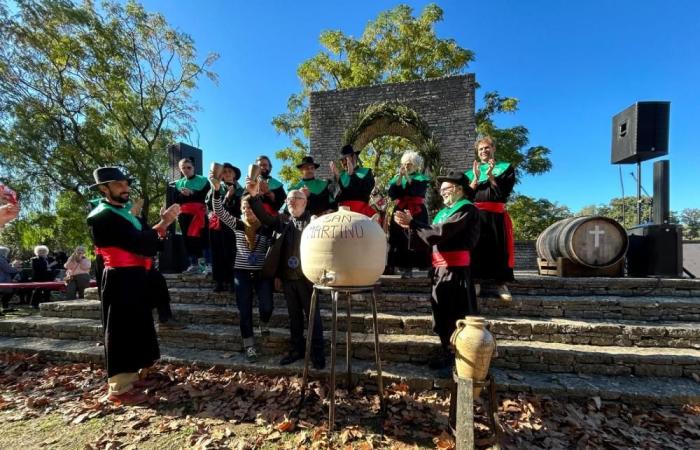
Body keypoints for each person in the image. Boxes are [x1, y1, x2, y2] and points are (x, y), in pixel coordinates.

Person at [87, 166, 180, 404]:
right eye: (119, 184)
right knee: (121, 331)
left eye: (126, 183)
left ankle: (138, 373)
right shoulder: (102, 216)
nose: (125, 188)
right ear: (104, 189)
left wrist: (162, 226)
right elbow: (139, 243)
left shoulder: (128, 215)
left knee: (140, 324)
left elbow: (150, 243)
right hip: (120, 277)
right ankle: (118, 389)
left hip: (137, 276)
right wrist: (164, 223)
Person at [394, 170, 480, 377]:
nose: (442, 194)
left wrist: (413, 223)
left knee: (456, 315)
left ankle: (458, 361)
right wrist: (409, 227)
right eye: (441, 190)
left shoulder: (466, 209)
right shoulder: (444, 212)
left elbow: (442, 233)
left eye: (446, 189)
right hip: (440, 270)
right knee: (441, 315)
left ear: (459, 189)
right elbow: (429, 238)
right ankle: (446, 353)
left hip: (455, 272)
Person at [248, 187, 326, 370]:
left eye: (296, 198)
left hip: (309, 279)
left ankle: (317, 353)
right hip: (288, 278)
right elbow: (264, 217)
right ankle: (296, 350)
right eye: (289, 198)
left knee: (313, 318)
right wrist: (252, 197)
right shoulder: (282, 220)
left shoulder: (314, 220)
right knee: (294, 318)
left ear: (305, 201)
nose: (291, 201)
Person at [211, 177, 274, 363]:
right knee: (244, 311)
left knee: (267, 307)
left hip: (262, 274)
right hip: (242, 273)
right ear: (241, 209)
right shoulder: (237, 224)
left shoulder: (266, 226)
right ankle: (249, 345)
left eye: (251, 207)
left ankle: (263, 322)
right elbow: (219, 211)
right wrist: (216, 190)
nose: (248, 210)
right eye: (245, 208)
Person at [465, 136, 516, 301]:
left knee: (498, 248)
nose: (484, 151)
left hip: (496, 216)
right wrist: (474, 179)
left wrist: (491, 177)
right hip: (476, 216)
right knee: (476, 248)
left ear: (493, 149)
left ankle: (501, 284)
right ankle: (476, 281)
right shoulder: (472, 171)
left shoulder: (505, 168)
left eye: (487, 148)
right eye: (480, 149)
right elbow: (466, 196)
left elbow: (504, 194)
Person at [387, 151, 431, 278]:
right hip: (401, 209)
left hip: (417, 211)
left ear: (416, 165)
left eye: (410, 164)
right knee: (400, 239)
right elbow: (393, 193)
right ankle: (403, 268)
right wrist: (400, 177)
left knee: (417, 237)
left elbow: (415, 191)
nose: (407, 166)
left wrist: (407, 176)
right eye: (405, 164)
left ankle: (423, 266)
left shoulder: (421, 178)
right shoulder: (397, 177)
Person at [207, 163, 242, 292]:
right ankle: (219, 281)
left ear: (234, 175)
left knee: (232, 253)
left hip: (232, 226)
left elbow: (239, 209)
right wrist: (226, 198)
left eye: (229, 171)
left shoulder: (240, 190)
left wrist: (230, 198)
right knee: (217, 253)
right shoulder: (214, 188)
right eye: (224, 171)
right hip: (216, 226)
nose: (227, 173)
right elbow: (211, 207)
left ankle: (233, 281)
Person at [174, 158, 211, 274]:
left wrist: (192, 193)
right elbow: (175, 199)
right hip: (184, 215)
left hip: (200, 213)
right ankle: (193, 264)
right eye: (183, 168)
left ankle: (209, 264)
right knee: (188, 239)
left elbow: (207, 196)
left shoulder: (203, 180)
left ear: (193, 168)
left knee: (204, 238)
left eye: (188, 167)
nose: (186, 170)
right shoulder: (178, 183)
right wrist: (182, 194)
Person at [330, 144, 376, 217]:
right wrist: (337, 179)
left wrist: (352, 175)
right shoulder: (340, 175)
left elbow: (364, 192)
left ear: (354, 157)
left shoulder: (366, 172)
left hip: (361, 215)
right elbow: (333, 197)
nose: (343, 163)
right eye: (341, 160)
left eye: (345, 159)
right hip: (341, 216)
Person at [0, 246, 20, 314]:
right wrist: (16, 269)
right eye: (6, 252)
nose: (7, 254)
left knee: (8, 292)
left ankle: (5, 307)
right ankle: (5, 307)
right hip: (3, 280)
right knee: (9, 291)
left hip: (3, 279)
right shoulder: (1, 259)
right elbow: (8, 269)